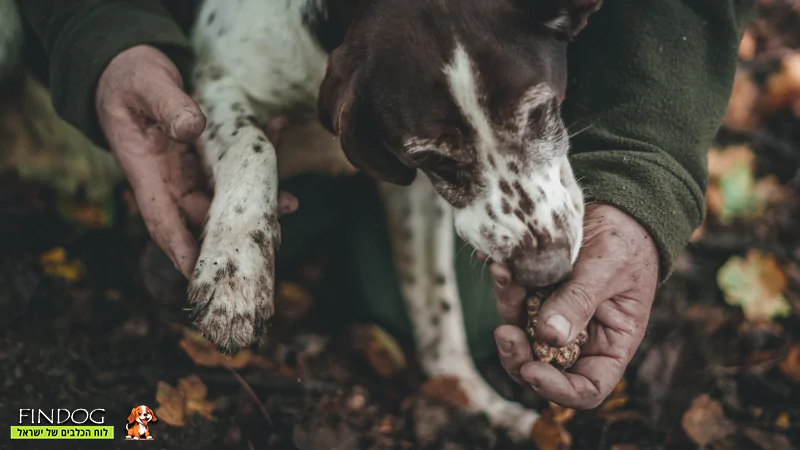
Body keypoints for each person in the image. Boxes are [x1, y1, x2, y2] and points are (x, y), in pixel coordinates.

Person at [15, 0, 754, 409]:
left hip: (402, 114)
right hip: (243, 64)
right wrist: (100, 35)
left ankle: (425, 319)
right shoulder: (287, 41)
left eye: (536, 119)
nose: (541, 236)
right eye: (436, 155)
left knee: (463, 322)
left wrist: (640, 176)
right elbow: (225, 85)